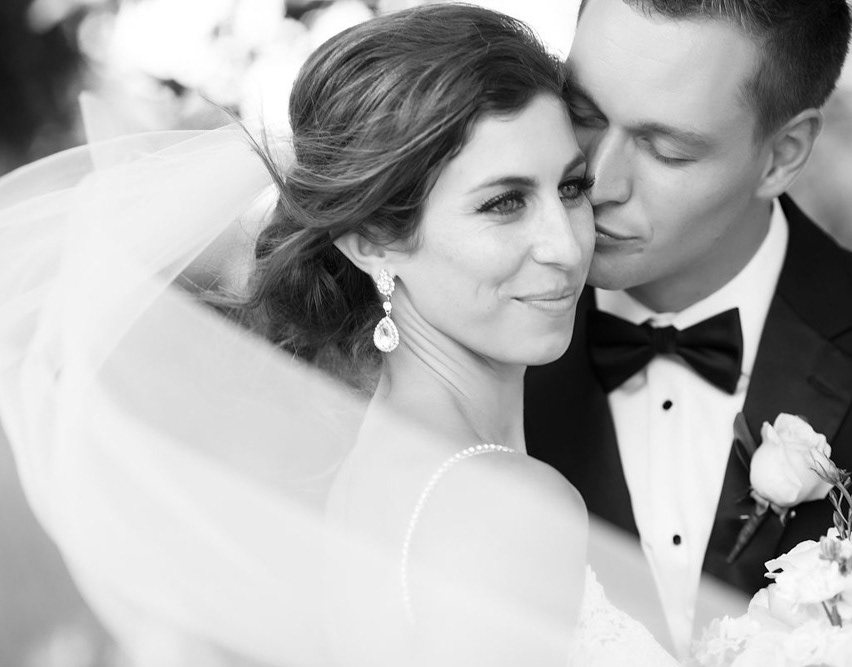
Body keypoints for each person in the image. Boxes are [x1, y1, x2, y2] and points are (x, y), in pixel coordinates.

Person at [0, 5, 680, 666]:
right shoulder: (508, 506)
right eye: (505, 203)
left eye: (571, 187)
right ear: (371, 240)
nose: (566, 245)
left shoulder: (368, 466)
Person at [525, 0, 852, 657]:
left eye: (666, 150)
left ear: (782, 155)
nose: (599, 181)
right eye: (582, 112)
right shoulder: (459, 340)